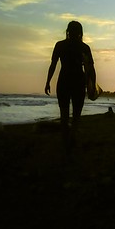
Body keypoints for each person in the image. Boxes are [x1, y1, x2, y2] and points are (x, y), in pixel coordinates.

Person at [45, 21, 96, 155]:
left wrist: (48, 81)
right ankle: (71, 138)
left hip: (64, 81)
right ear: (80, 32)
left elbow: (53, 65)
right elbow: (91, 69)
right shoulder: (84, 47)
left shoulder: (60, 45)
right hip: (78, 82)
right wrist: (93, 85)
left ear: (68, 31)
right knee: (76, 115)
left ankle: (65, 142)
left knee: (64, 115)